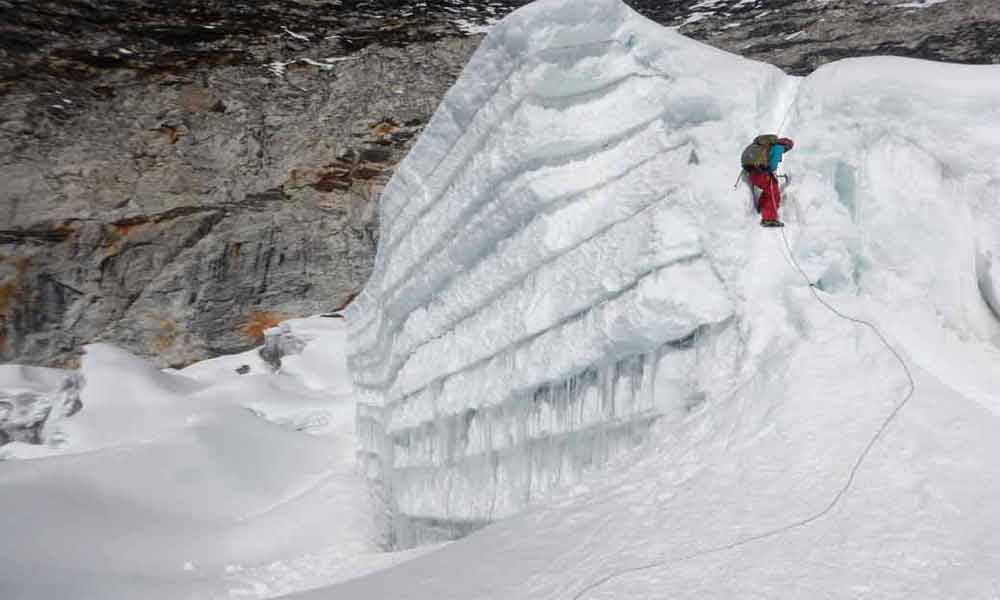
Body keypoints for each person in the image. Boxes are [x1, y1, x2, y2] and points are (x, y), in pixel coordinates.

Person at [741, 135, 794, 227]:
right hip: (761, 173)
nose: (785, 151)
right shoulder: (778, 148)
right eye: (788, 148)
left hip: (753, 172)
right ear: (786, 145)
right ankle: (769, 219)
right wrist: (771, 172)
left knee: (769, 191)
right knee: (774, 193)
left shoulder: (765, 146)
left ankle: (762, 208)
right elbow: (773, 165)